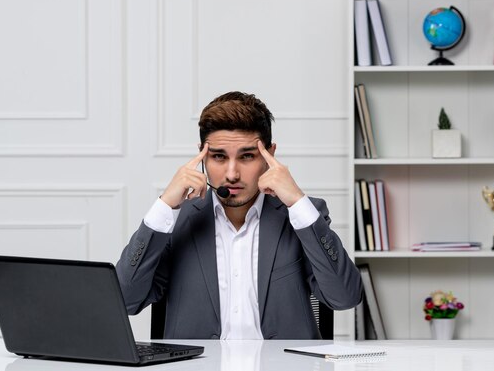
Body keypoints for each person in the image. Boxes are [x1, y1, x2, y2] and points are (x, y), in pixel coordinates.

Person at [116, 91, 363, 339]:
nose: (232, 174)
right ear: (201, 155)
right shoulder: (174, 220)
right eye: (219, 157)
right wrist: (165, 206)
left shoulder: (301, 215)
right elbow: (125, 301)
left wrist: (298, 202)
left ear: (270, 156)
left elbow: (345, 297)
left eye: (247, 156)